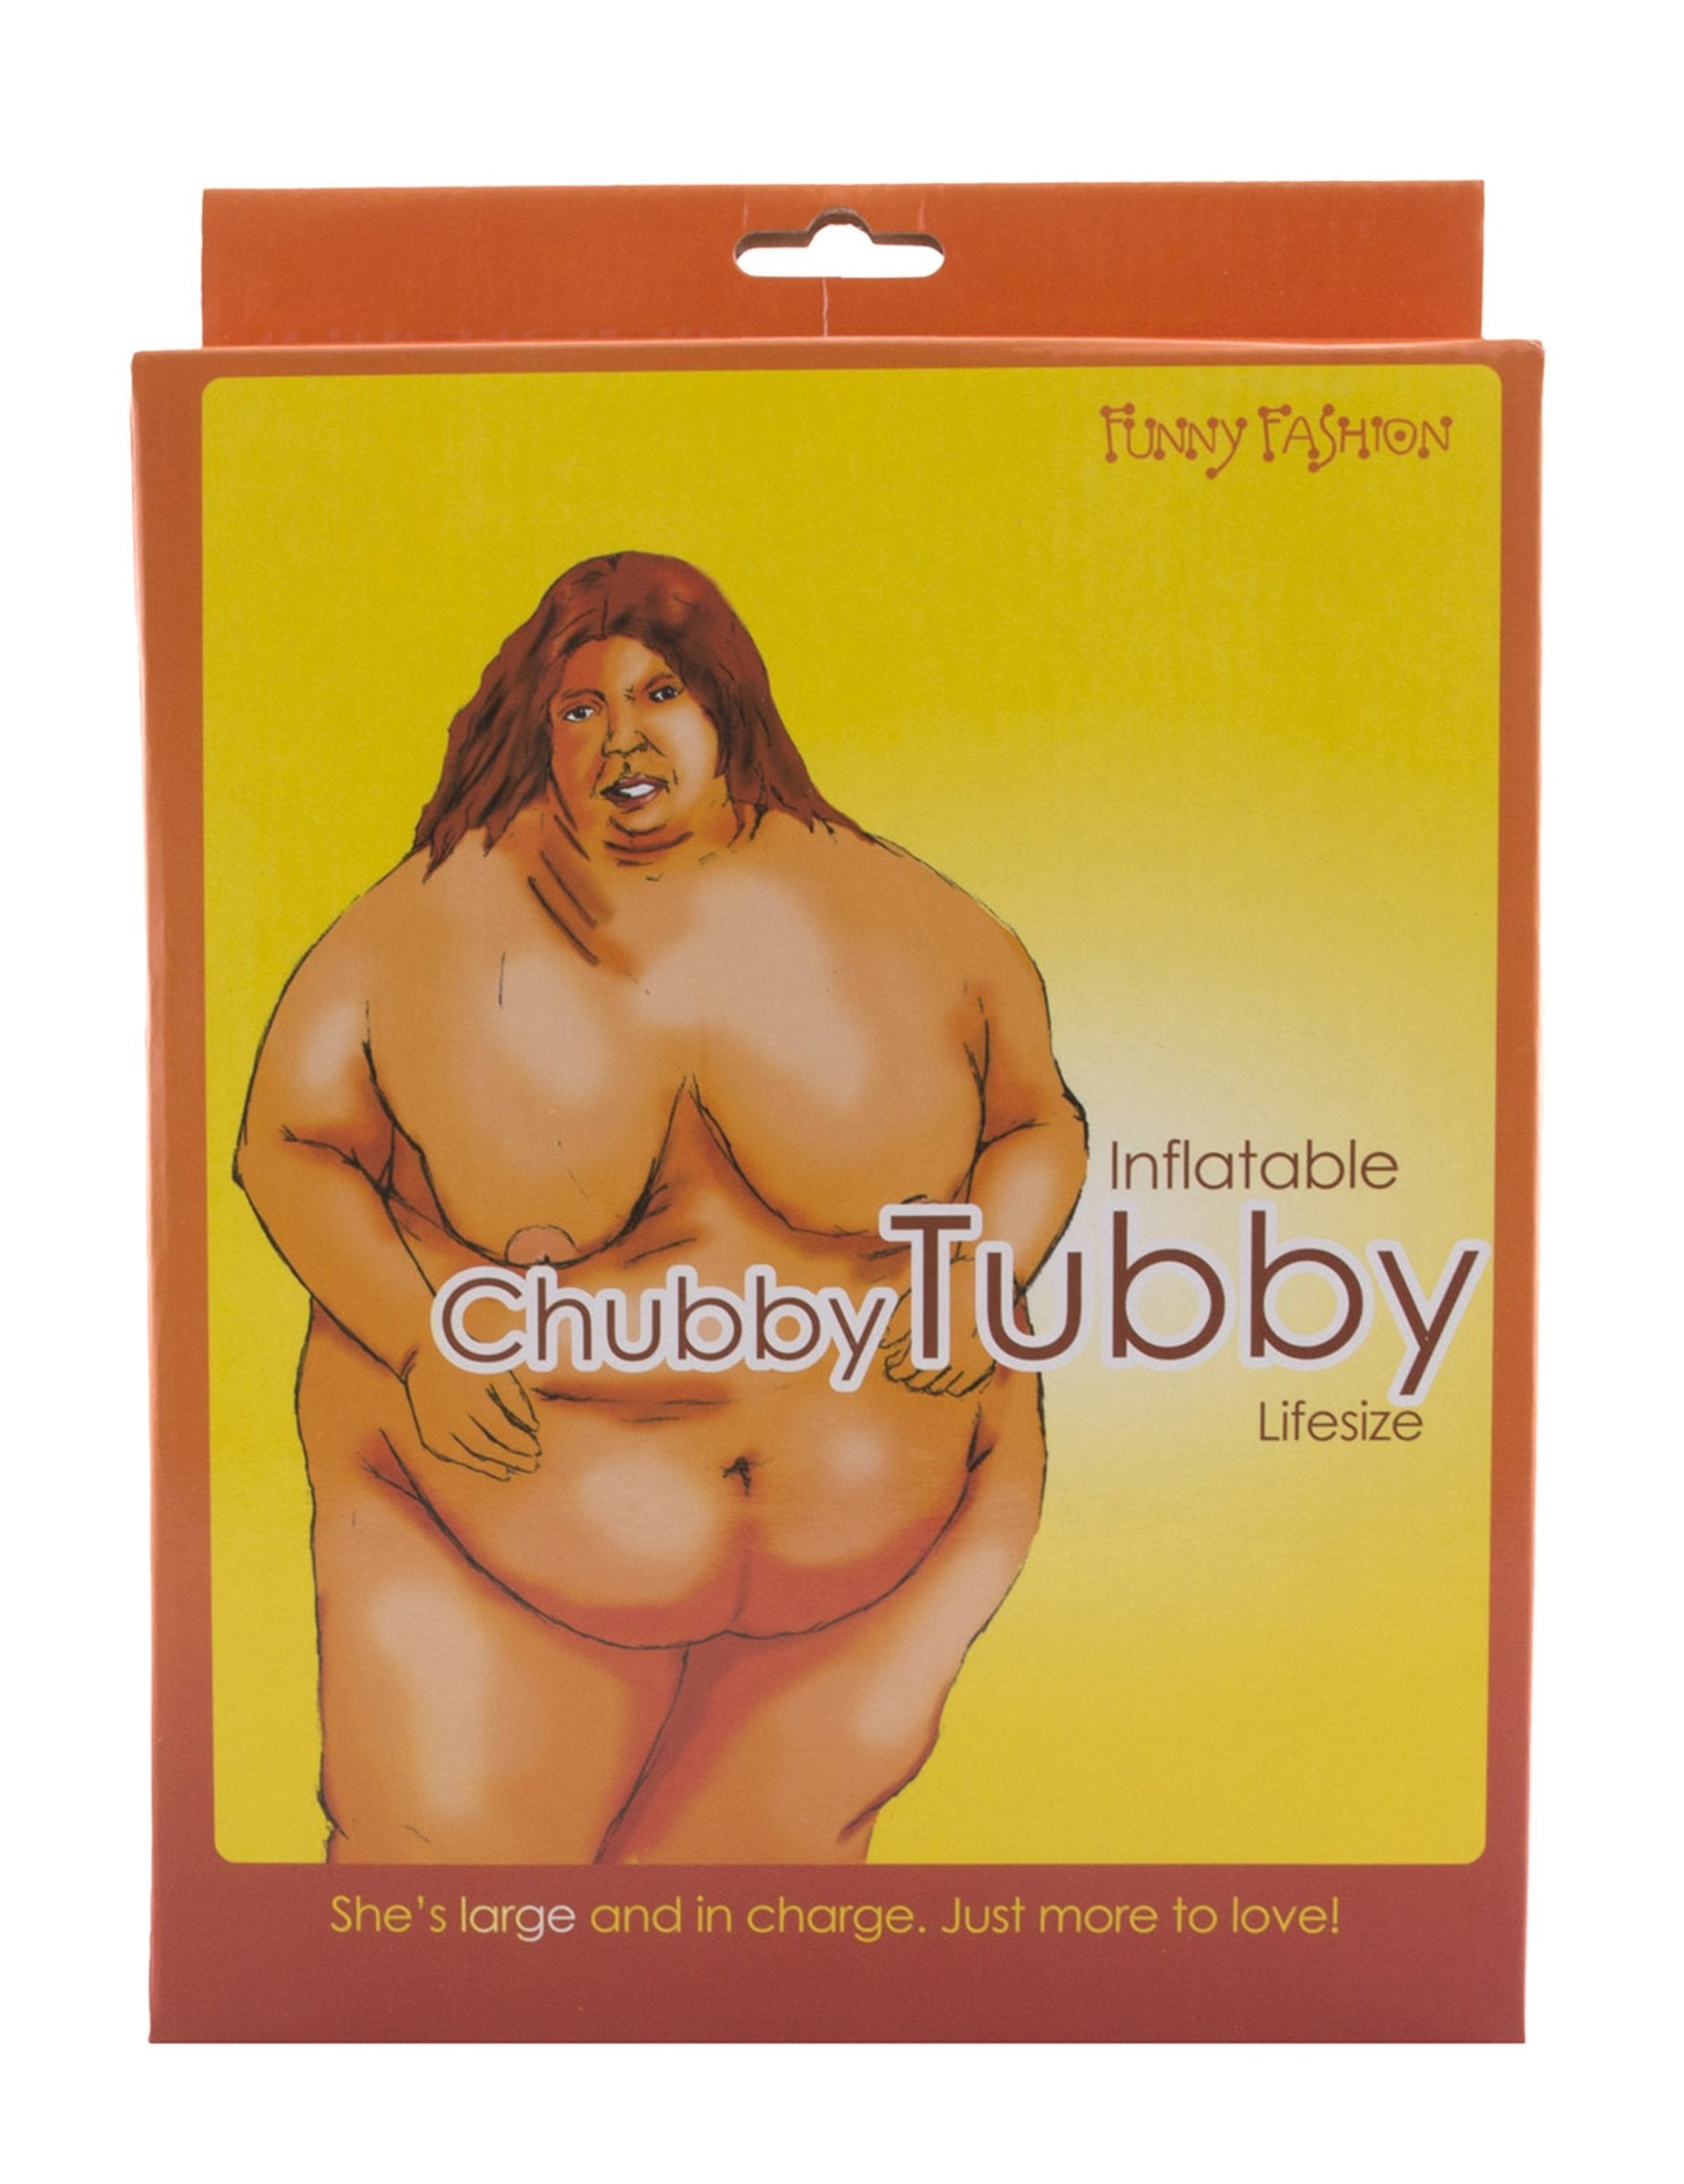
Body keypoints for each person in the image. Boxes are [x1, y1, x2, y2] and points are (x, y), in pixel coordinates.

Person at [236, 551, 1087, 1864]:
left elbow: (1036, 1121)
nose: (622, 738)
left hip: (870, 1583)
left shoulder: (904, 912)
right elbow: (286, 1144)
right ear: (537, 729)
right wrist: (415, 1336)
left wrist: (984, 1265)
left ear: (724, 706)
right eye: (580, 708)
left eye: (659, 694)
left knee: (742, 1954)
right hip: (489, 1550)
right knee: (446, 1921)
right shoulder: (423, 925)